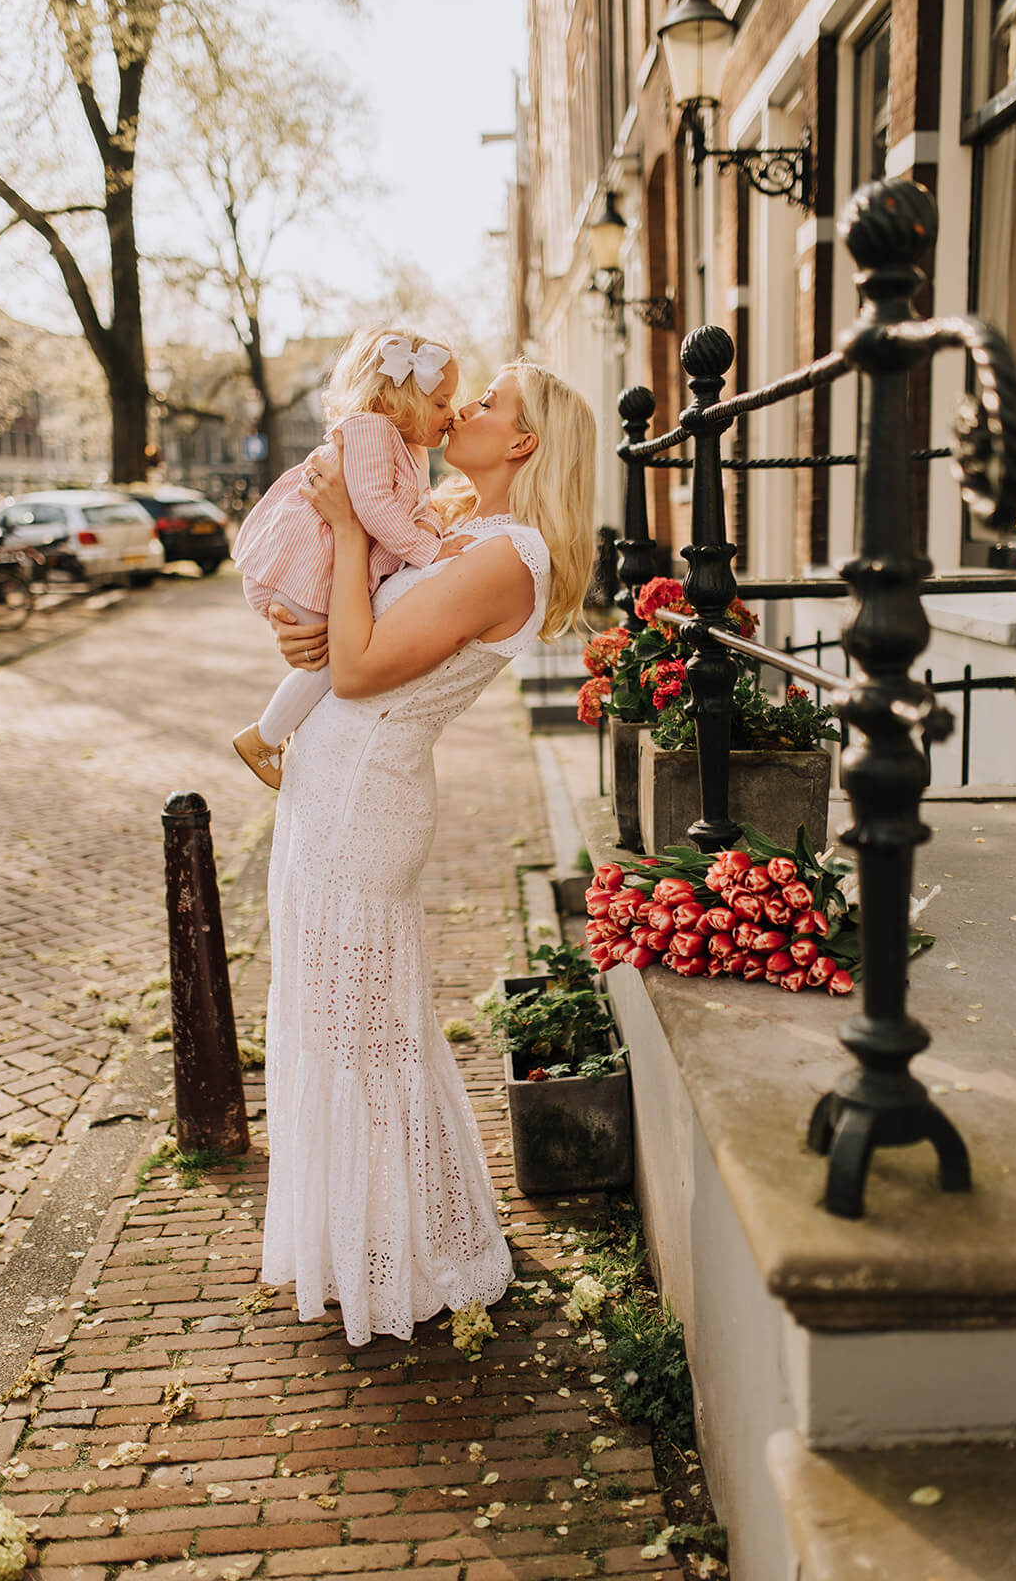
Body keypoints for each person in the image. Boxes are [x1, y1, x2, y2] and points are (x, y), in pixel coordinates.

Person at [260, 359, 597, 1347]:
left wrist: (358, 531)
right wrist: (303, 630)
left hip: (366, 800)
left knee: (363, 1041)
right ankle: (372, 1243)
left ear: (524, 441)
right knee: (341, 1031)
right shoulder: (458, 519)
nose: (463, 409)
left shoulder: (510, 557)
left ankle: (404, 1258)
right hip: (332, 788)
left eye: (489, 402)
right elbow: (350, 640)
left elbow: (364, 671)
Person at [229, 326, 467, 787]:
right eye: (440, 403)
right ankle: (263, 738)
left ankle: (274, 738)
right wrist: (430, 550)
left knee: (338, 654)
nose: (451, 414)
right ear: (392, 401)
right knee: (337, 659)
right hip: (300, 564)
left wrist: (430, 531)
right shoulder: (370, 429)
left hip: (320, 566)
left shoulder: (409, 447)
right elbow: (376, 507)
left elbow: (413, 512)